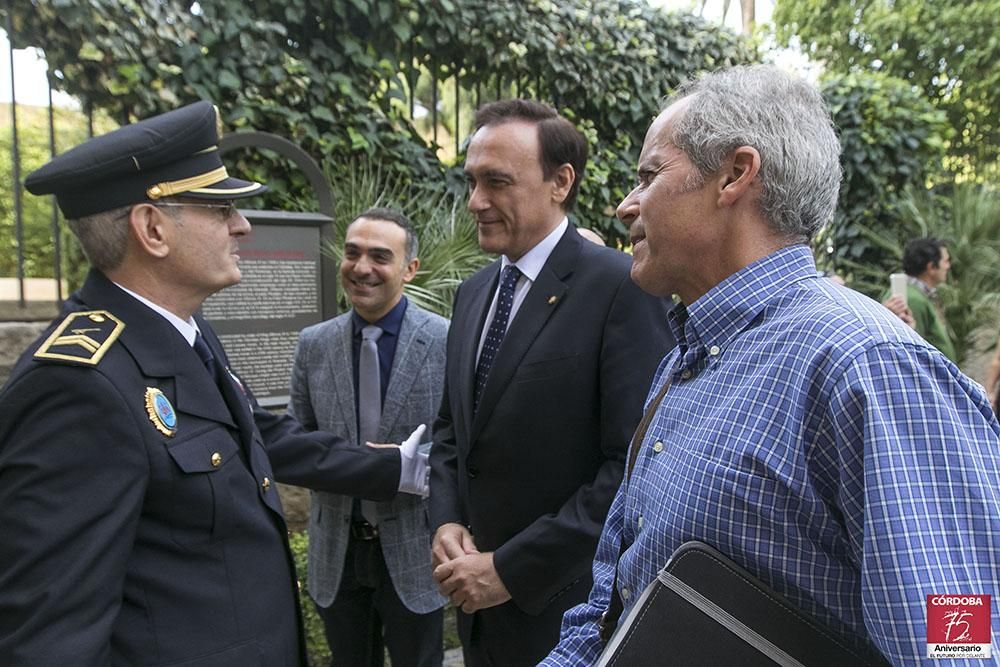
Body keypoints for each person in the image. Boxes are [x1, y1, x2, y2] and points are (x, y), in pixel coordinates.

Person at [543, 65, 1000, 666]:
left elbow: (958, 638)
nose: (627, 205)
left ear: (735, 174)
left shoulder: (868, 365)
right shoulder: (685, 361)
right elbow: (614, 595)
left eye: (649, 175)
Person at [0, 101, 428, 665]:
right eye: (220, 208)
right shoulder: (78, 386)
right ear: (152, 229)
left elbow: (253, 435)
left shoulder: (181, 329)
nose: (242, 224)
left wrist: (394, 467)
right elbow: (50, 639)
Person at [428, 99, 674, 666]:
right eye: (471, 182)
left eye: (496, 182)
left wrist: (511, 569)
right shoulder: (472, 295)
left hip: (569, 614)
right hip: (477, 613)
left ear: (560, 181)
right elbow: (450, 431)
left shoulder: (621, 288)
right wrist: (443, 519)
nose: (476, 202)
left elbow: (634, 465)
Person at [288, 207, 447, 666]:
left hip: (415, 553)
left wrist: (403, 466)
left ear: (410, 268)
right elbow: (299, 441)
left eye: (380, 256)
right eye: (353, 253)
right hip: (336, 550)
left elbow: (466, 445)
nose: (361, 268)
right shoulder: (313, 344)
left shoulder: (445, 341)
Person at [888, 237, 957, 360]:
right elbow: (911, 352)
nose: (948, 266)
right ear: (931, 267)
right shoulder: (911, 299)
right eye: (946, 261)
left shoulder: (917, 293)